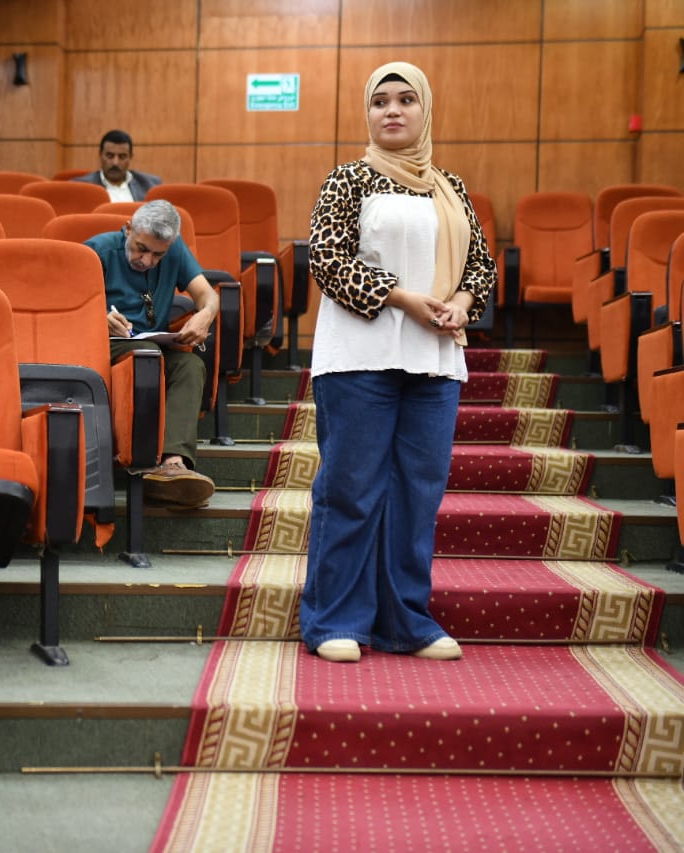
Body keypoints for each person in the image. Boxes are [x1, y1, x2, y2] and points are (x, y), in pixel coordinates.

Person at [299, 61, 495, 664]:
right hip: (360, 356)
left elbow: (479, 266)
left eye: (406, 99)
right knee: (351, 490)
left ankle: (406, 621)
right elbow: (327, 260)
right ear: (368, 112)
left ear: (424, 110)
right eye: (380, 100)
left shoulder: (450, 187)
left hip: (434, 357)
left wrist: (462, 303)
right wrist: (404, 299)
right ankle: (334, 619)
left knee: (417, 494)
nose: (392, 110)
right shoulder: (348, 178)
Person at [86, 199, 219, 508]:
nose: (147, 260)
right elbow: (64, 303)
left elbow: (208, 295)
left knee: (189, 365)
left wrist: (205, 314)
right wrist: (98, 316)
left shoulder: (174, 250)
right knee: (147, 354)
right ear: (128, 229)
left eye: (158, 255)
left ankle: (172, 465)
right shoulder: (98, 251)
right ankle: (143, 461)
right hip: (102, 344)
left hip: (150, 346)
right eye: (141, 249)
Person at [72, 129, 162, 202]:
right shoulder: (81, 187)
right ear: (100, 155)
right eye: (110, 156)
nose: (115, 163)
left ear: (130, 157)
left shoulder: (150, 185)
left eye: (122, 157)